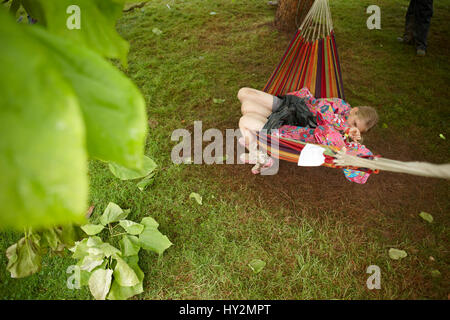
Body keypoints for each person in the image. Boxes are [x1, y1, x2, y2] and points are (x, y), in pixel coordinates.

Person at [237, 87, 379, 178]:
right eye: (353, 123)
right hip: (292, 108)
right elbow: (320, 109)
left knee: (245, 120)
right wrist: (346, 128)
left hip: (285, 127)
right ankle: (257, 150)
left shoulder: (341, 138)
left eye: (356, 128)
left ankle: (259, 153)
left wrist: (348, 133)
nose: (350, 126)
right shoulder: (340, 106)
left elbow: (325, 130)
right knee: (245, 100)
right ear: (354, 111)